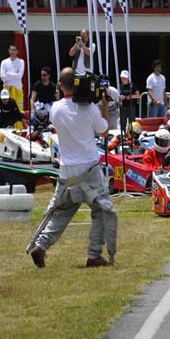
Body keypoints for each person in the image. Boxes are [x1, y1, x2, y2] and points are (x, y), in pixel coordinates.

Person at [26, 68, 116, 268]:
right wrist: (104, 105)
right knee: (101, 211)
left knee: (62, 212)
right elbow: (104, 131)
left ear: (60, 85)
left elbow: (66, 106)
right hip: (89, 169)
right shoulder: (90, 108)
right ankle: (94, 255)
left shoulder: (55, 109)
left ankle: (41, 247)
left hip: (67, 171)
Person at [119, 70, 140, 134]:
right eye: (122, 78)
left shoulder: (132, 85)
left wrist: (130, 96)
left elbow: (138, 95)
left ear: (128, 78)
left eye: (125, 78)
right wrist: (120, 98)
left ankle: (132, 134)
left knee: (132, 122)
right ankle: (123, 134)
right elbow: (118, 97)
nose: (123, 80)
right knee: (123, 122)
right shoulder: (120, 86)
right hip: (123, 106)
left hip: (131, 106)